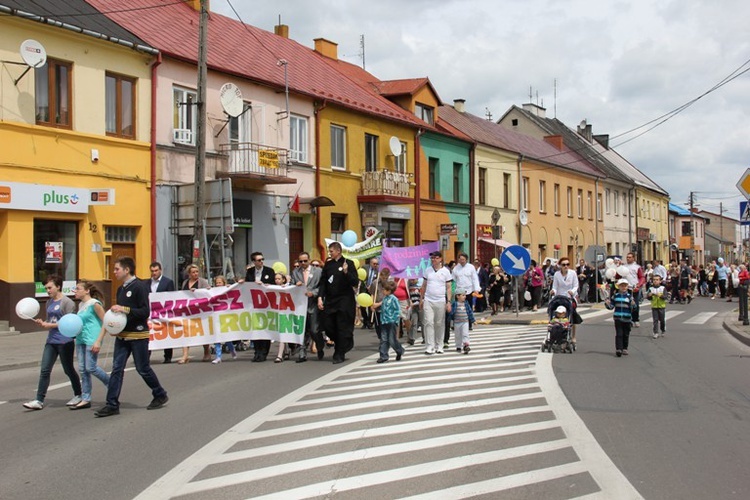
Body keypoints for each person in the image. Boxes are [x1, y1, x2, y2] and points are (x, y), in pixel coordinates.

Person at [94, 257, 168, 417]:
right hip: (122, 336)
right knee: (117, 369)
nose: (114, 272)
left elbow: (145, 312)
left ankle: (160, 393)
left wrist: (125, 309)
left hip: (138, 335)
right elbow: (119, 315)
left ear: (127, 270)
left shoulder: (140, 286)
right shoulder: (120, 289)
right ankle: (112, 404)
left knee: (143, 368)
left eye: (117, 269)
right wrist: (114, 326)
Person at [23, 275, 81, 411]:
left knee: (68, 369)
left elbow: (70, 322)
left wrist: (49, 325)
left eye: (50, 287)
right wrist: (42, 322)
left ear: (58, 286)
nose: (48, 290)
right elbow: (51, 320)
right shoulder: (49, 303)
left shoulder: (68, 303)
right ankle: (39, 400)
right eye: (46, 288)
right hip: (51, 341)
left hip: (65, 341)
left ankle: (78, 394)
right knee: (45, 370)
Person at [318, 241, 359, 364]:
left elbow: (354, 282)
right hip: (331, 301)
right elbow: (323, 282)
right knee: (328, 325)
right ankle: (344, 342)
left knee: (342, 326)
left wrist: (346, 272)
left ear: (338, 251)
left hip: (344, 300)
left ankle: (339, 353)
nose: (329, 253)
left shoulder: (348, 264)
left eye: (331, 251)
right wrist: (320, 297)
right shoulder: (328, 265)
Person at [73, 280, 110, 410]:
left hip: (92, 339)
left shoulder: (94, 304)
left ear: (87, 290)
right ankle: (86, 398)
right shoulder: (81, 305)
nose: (75, 291)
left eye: (78, 289)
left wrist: (98, 340)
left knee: (91, 367)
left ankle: (111, 384)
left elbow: (106, 321)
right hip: (81, 339)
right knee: (83, 369)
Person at [291, 251, 323, 362]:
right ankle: (302, 353)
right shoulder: (295, 272)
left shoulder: (318, 271)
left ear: (309, 260)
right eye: (301, 261)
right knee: (302, 330)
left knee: (314, 330)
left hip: (312, 304)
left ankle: (320, 346)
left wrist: (313, 293)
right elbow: (291, 287)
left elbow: (322, 287)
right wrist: (295, 285)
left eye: (305, 261)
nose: (303, 263)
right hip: (301, 305)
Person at [419, 250, 452, 355]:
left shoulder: (446, 271)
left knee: (439, 323)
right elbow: (424, 286)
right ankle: (429, 346)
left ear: (440, 259)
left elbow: (448, 287)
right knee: (428, 322)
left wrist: (449, 301)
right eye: (432, 258)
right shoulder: (428, 270)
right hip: (428, 299)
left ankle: (439, 345)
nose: (434, 260)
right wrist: (421, 298)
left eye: (436, 258)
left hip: (440, 300)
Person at [245, 252, 276, 361]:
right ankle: (257, 351)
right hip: (254, 304)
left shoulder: (269, 271)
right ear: (253, 262)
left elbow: (274, 285)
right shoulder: (249, 272)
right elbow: (246, 285)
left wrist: (266, 285)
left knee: (265, 327)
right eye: (259, 260)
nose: (261, 261)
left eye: (262, 259)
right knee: (256, 328)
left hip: (266, 304)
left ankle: (264, 352)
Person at [178, 264, 211, 364]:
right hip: (188, 311)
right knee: (186, 332)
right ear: (189, 273)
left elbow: (209, 293)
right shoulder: (185, 282)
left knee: (202, 332)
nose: (195, 274)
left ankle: (206, 352)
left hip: (200, 311)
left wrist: (198, 292)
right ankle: (185, 355)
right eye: (193, 272)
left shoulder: (202, 282)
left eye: (197, 272)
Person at [149, 261, 176, 363]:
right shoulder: (147, 283)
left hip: (164, 313)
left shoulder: (168, 282)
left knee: (166, 333)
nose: (154, 273)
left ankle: (168, 356)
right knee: (150, 334)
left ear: (160, 270)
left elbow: (171, 297)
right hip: (151, 313)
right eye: (152, 271)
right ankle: (147, 355)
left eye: (156, 271)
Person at [550, 257, 582, 344]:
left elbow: (576, 285)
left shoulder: (573, 273)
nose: (566, 266)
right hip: (559, 297)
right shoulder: (557, 274)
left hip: (570, 297)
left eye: (568, 264)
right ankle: (556, 333)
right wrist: (553, 291)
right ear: (560, 266)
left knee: (572, 315)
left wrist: (572, 291)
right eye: (564, 265)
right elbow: (555, 286)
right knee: (556, 314)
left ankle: (573, 336)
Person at [373, 281, 404, 363]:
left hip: (391, 322)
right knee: (383, 339)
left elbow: (397, 310)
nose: (383, 291)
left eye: (385, 290)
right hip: (384, 321)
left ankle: (399, 350)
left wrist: (395, 319)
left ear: (389, 291)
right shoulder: (385, 299)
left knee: (392, 339)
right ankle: (383, 356)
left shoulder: (394, 299)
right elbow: (382, 308)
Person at [605, 278, 636, 357]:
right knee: (619, 334)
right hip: (618, 318)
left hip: (627, 318)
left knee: (626, 334)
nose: (623, 287)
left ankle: (625, 348)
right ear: (618, 287)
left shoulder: (629, 297)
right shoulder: (615, 296)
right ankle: (619, 349)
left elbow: (634, 308)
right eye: (621, 286)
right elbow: (611, 307)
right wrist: (607, 304)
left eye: (625, 286)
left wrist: (633, 305)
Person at [211, 275, 237, 364]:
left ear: (223, 283)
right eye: (217, 283)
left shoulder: (227, 289)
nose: (218, 284)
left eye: (220, 282)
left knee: (226, 336)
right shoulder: (213, 291)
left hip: (225, 316)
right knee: (217, 336)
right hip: (216, 316)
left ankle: (232, 349)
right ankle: (218, 356)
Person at [272, 272, 292, 363]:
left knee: (283, 334)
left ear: (283, 280)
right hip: (277, 312)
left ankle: (279, 355)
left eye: (279, 279)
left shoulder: (287, 287)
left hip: (286, 312)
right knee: (281, 333)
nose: (277, 281)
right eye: (275, 279)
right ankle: (286, 351)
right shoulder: (272, 288)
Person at [623, 252, 646, 327]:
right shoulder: (624, 267)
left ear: (633, 258)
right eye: (627, 257)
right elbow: (618, 275)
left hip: (634, 288)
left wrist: (638, 285)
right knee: (626, 304)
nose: (628, 258)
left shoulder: (637, 267)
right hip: (625, 288)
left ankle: (636, 319)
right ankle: (628, 319)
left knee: (635, 304)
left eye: (629, 257)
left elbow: (642, 277)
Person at [450, 288, 475, 354]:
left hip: (465, 322)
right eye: (463, 295)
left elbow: (469, 312)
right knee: (458, 335)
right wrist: (450, 321)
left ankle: (466, 345)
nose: (465, 297)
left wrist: (473, 320)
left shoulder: (466, 304)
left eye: (465, 295)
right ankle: (458, 345)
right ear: (457, 296)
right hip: (457, 322)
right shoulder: (455, 304)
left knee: (465, 334)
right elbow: (451, 313)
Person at [361, 257, 380, 329]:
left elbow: (377, 280)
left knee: (370, 306)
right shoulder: (365, 267)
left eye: (377, 264)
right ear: (370, 263)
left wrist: (371, 286)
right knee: (362, 306)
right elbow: (361, 277)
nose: (375, 265)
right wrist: (366, 285)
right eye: (374, 264)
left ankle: (370, 322)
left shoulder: (378, 271)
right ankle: (365, 321)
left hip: (372, 290)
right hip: (364, 289)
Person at [647, 274, 667, 339]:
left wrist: (660, 296)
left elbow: (665, 297)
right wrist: (649, 296)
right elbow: (648, 298)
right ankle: (655, 332)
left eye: (657, 280)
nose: (655, 281)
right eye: (654, 280)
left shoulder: (663, 288)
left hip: (661, 306)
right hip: (654, 307)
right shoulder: (651, 288)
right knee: (655, 320)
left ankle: (663, 330)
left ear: (660, 281)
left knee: (662, 320)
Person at [407, 278, 422, 345]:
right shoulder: (409, 286)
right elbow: (408, 296)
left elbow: (422, 295)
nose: (412, 281)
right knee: (414, 322)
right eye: (411, 280)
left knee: (423, 322)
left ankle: (425, 338)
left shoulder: (421, 285)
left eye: (414, 279)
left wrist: (419, 303)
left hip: (420, 305)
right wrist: (410, 303)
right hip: (413, 306)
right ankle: (412, 338)